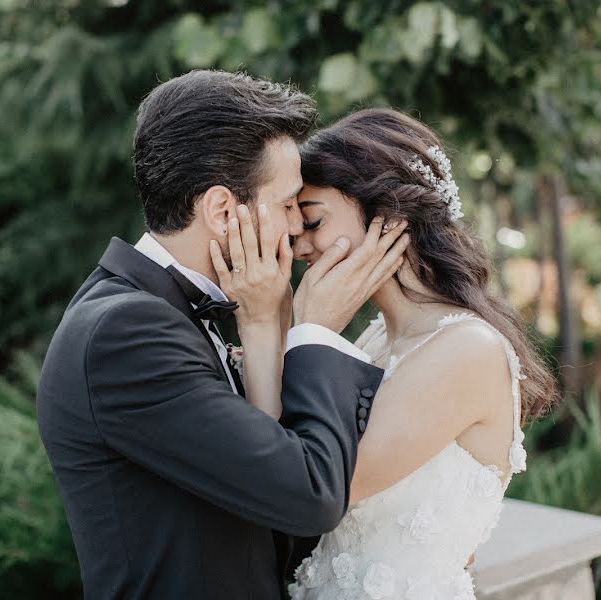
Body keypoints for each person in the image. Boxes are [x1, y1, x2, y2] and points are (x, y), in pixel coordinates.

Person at [36, 71, 409, 600]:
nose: (297, 230)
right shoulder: (126, 332)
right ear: (219, 210)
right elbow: (310, 499)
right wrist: (317, 332)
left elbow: (277, 513)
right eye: (285, 206)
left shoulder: (162, 315)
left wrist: (265, 330)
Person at [218, 108, 558, 599]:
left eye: (312, 222)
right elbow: (283, 455)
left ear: (389, 216)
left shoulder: (466, 350)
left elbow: (312, 492)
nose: (299, 248)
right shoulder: (376, 339)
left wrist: (311, 330)